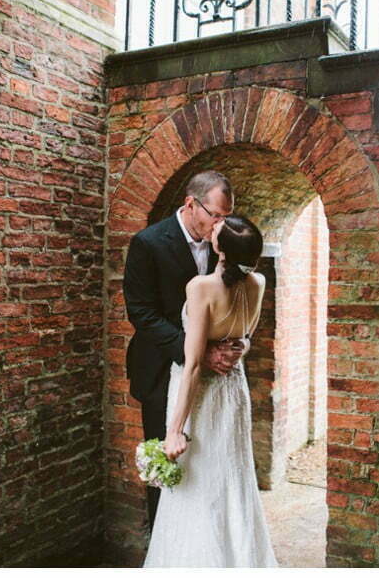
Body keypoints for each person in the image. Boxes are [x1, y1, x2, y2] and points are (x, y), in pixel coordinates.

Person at [142, 215, 278, 568]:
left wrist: (173, 431)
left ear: (219, 249)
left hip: (200, 397)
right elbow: (244, 337)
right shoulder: (258, 282)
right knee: (231, 479)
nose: (213, 226)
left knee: (198, 484)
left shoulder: (201, 287)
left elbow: (193, 366)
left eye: (217, 231)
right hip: (234, 394)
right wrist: (239, 350)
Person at [123, 171, 245, 533]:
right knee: (168, 468)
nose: (221, 225)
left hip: (211, 381)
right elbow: (142, 313)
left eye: (227, 217)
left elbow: (238, 305)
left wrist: (236, 346)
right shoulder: (147, 243)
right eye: (216, 216)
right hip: (163, 370)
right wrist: (198, 354)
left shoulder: (227, 244)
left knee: (205, 468)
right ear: (191, 204)